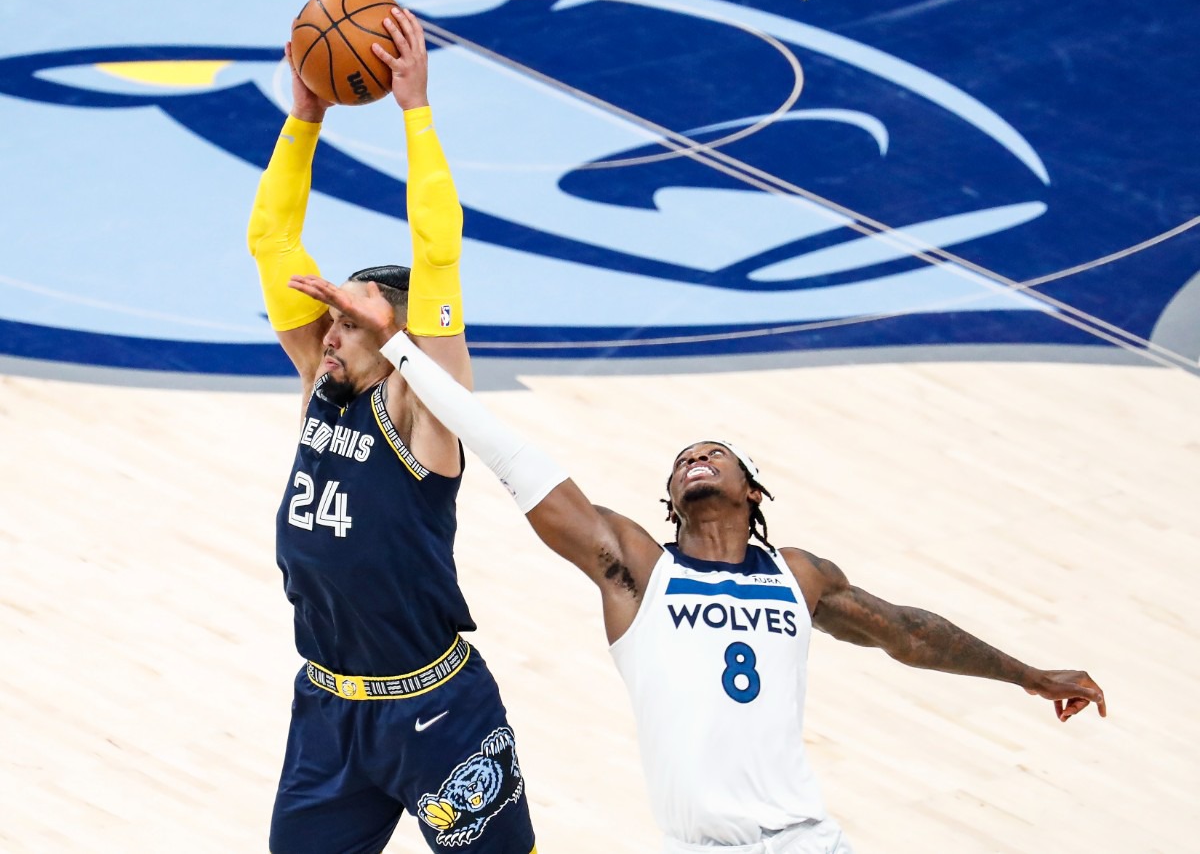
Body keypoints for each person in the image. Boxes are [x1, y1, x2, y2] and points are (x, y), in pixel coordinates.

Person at [283, 277, 1109, 854]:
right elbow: (509, 453)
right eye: (683, 460)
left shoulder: (799, 573)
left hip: (807, 839)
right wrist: (403, 351)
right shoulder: (639, 572)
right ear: (671, 499)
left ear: (755, 489)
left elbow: (908, 633)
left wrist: (1026, 673)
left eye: (715, 454)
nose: (695, 460)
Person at [247, 8, 536, 854]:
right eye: (329, 319)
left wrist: (416, 110)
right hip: (329, 707)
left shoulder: (424, 408)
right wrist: (305, 116)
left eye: (350, 321)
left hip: (436, 708)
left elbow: (438, 255)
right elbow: (271, 237)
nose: (327, 333)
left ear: (398, 338)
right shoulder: (320, 383)